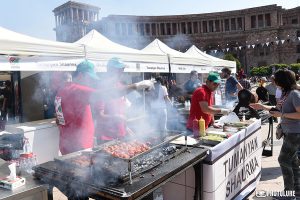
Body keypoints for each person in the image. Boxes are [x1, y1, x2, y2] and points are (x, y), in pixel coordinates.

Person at [55, 60, 154, 155]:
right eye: (90, 78)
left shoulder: (62, 90)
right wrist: (136, 86)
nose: (91, 82)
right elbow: (106, 94)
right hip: (79, 148)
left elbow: (59, 120)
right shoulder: (78, 90)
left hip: (66, 145)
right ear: (81, 75)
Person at [250, 69, 300, 198]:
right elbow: (276, 109)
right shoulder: (286, 93)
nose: (274, 81)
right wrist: (262, 107)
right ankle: (297, 190)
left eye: (276, 79)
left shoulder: (294, 94)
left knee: (283, 159)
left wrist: (282, 115)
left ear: (282, 80)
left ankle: (289, 194)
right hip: (289, 132)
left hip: (295, 132)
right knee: (293, 160)